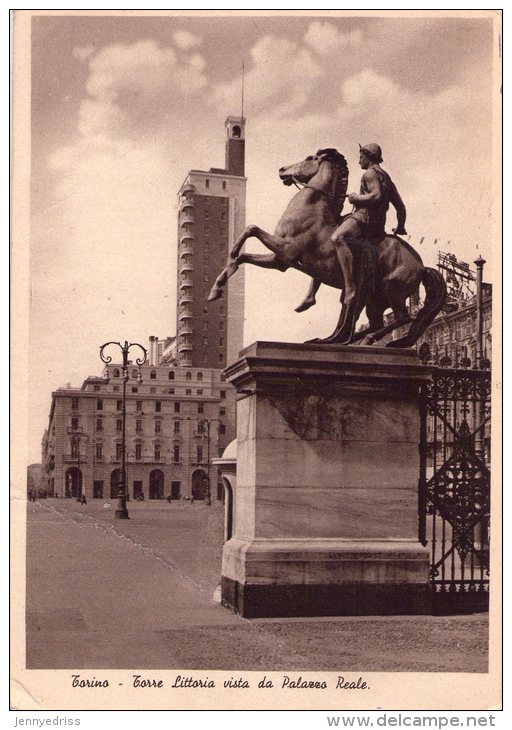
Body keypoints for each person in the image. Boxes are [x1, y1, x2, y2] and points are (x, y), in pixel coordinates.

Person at [295, 143, 407, 341]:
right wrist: (400, 227)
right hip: (377, 226)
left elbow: (377, 195)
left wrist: (356, 198)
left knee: (336, 238)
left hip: (364, 219)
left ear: (368, 156)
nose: (359, 161)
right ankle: (311, 294)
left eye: (361, 156)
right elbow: (400, 206)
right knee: (325, 244)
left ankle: (349, 287)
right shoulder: (387, 177)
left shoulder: (370, 174)